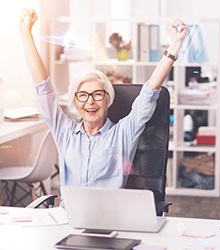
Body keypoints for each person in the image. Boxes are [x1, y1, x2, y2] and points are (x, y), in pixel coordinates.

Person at [19, 9, 187, 195]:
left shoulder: (123, 132)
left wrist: (175, 44)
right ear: (75, 102)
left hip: (109, 219)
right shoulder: (64, 132)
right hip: (71, 217)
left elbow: (150, 91)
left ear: (107, 99)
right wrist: (26, 33)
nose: (90, 101)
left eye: (97, 94)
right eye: (83, 95)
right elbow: (43, 87)